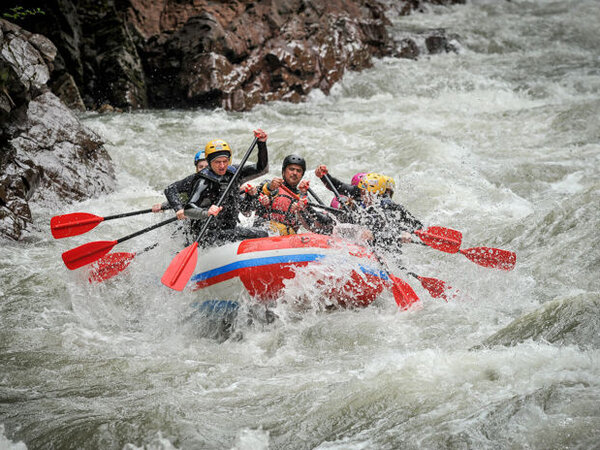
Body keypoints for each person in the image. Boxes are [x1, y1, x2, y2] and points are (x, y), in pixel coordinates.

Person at [163, 129, 269, 246]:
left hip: (229, 229)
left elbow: (262, 169)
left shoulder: (234, 173)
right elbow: (188, 209)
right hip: (207, 233)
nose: (222, 165)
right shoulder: (203, 181)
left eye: (225, 161)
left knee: (263, 234)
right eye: (217, 162)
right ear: (210, 162)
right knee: (260, 236)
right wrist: (206, 212)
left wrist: (262, 144)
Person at [314, 166, 423, 251]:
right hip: (363, 245)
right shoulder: (360, 191)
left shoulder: (389, 207)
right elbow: (339, 186)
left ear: (377, 194)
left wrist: (405, 234)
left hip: (386, 248)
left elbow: (416, 226)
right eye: (362, 192)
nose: (363, 196)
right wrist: (324, 176)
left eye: (367, 194)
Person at [258, 154, 334, 235]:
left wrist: (300, 211)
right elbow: (252, 202)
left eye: (298, 171)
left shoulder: (302, 198)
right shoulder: (270, 186)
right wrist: (269, 189)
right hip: (264, 231)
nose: (294, 173)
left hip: (287, 238)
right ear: (283, 171)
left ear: (302, 175)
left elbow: (313, 227)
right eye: (291, 169)